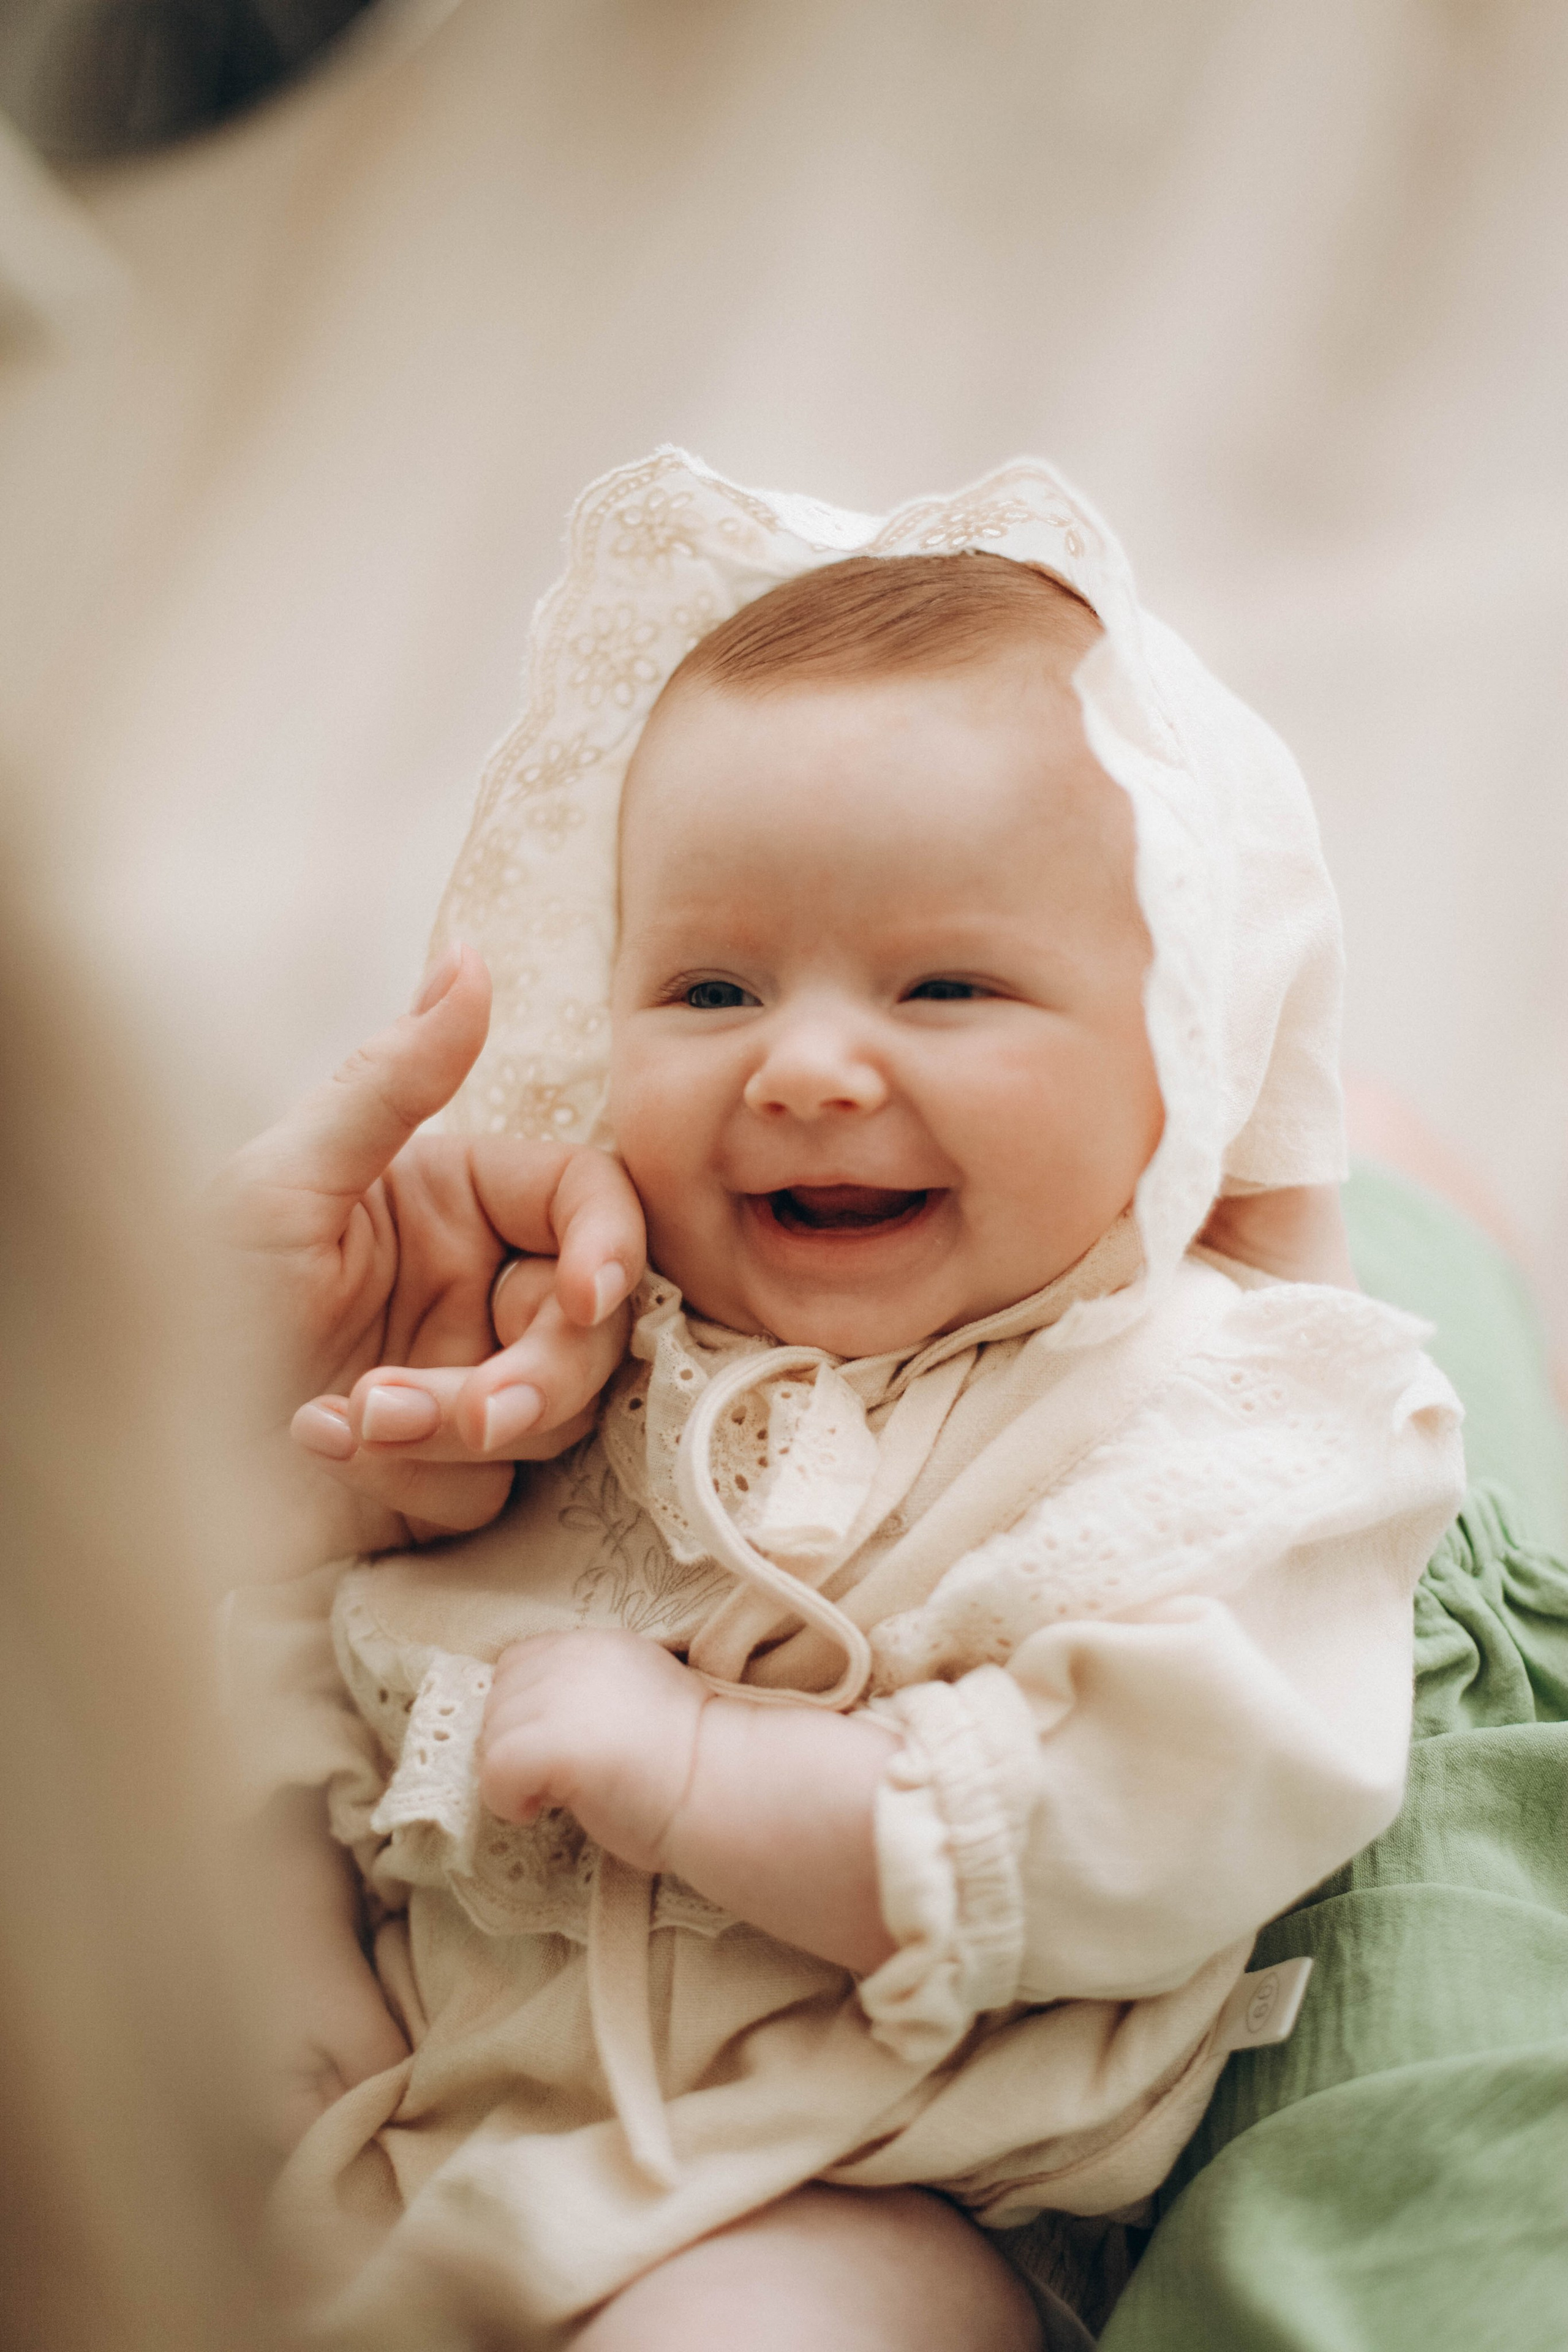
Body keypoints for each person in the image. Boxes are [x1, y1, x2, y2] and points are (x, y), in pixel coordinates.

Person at [230, 452, 1466, 2350]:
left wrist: (710, 1774)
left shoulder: (1210, 1405)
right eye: (711, 989)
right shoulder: (572, 1359)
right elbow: (307, 1664)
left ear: (1180, 1058)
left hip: (867, 2189)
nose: (806, 1065)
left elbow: (1175, 1798)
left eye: (947, 987)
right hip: (417, 2155)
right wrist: (279, 1911)